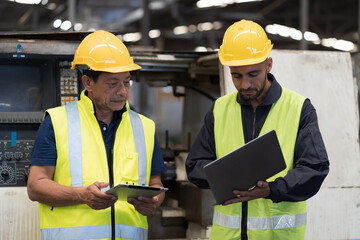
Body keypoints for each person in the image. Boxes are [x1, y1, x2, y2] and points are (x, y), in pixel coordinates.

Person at [186, 19, 329, 240]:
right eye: (236, 75)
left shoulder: (299, 108)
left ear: (268, 65)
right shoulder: (219, 110)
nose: (245, 85)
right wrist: (227, 176)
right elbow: (194, 165)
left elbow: (314, 168)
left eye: (253, 74)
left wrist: (273, 189)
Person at [27, 30, 166, 240]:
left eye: (126, 82)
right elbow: (36, 186)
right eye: (112, 84)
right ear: (88, 83)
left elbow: (156, 183)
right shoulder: (57, 122)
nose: (122, 91)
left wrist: (153, 201)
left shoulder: (145, 127)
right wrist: (82, 195)